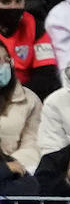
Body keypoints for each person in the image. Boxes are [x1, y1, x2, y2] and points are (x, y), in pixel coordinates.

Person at [0, 42, 42, 194]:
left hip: (18, 172)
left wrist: (11, 166)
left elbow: (33, 144)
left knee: (30, 188)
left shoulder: (30, 100)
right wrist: (4, 168)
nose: (4, 66)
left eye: (6, 60)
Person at [0, 0, 59, 99]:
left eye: (18, 1)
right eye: (5, 2)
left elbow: (46, 74)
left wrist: (19, 96)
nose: (13, 7)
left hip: (27, 96)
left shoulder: (36, 27)